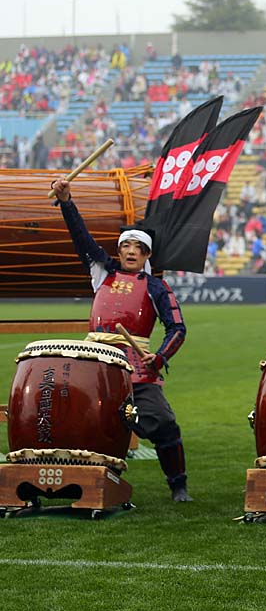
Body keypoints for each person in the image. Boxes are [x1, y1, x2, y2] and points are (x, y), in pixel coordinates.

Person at [50, 178, 191, 502]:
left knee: (164, 424)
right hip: (95, 363)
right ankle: (73, 479)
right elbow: (82, 239)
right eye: (127, 246)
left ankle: (178, 485)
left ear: (147, 255)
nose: (131, 252)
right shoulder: (102, 271)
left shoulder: (157, 287)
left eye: (138, 249)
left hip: (137, 370)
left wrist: (159, 358)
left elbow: (178, 329)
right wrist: (68, 201)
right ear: (119, 249)